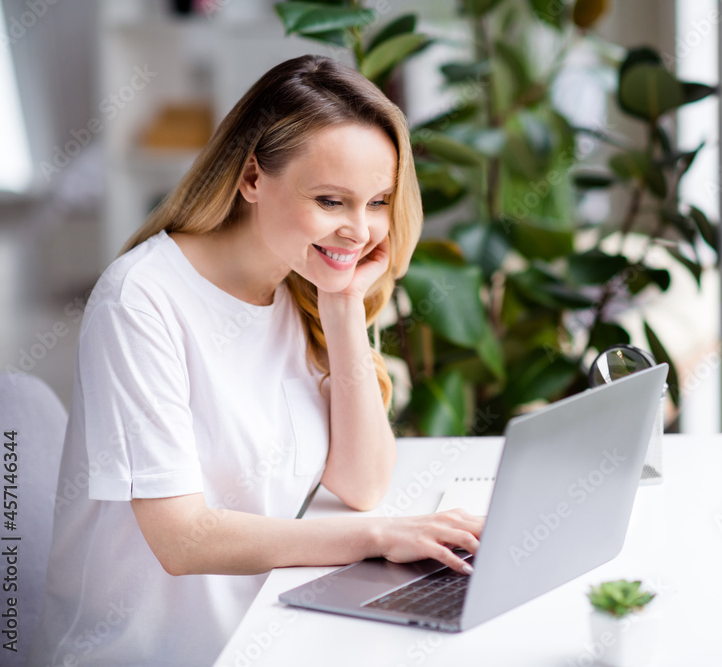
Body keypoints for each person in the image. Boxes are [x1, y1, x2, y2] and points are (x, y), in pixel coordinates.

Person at [29, 54, 483, 666]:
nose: (360, 230)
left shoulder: (304, 280)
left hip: (269, 626)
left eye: (378, 201)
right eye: (331, 200)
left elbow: (362, 482)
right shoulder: (141, 299)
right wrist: (379, 538)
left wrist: (344, 308)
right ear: (250, 179)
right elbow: (183, 540)